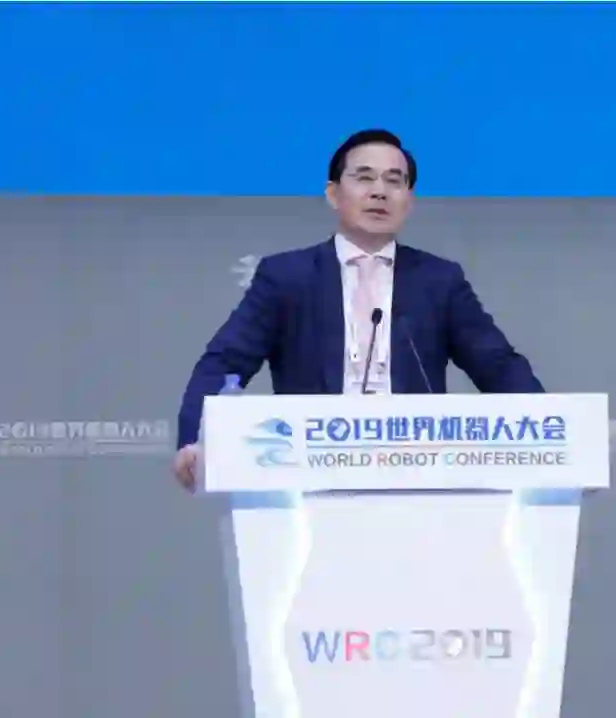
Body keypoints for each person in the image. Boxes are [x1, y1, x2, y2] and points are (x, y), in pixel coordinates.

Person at [172, 129, 544, 490]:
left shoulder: (438, 280)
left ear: (409, 199)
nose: (379, 192)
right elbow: (226, 361)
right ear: (333, 194)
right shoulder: (287, 276)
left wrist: (550, 434)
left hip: (416, 470)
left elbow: (497, 364)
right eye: (364, 178)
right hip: (308, 469)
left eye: (394, 181)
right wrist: (196, 438)